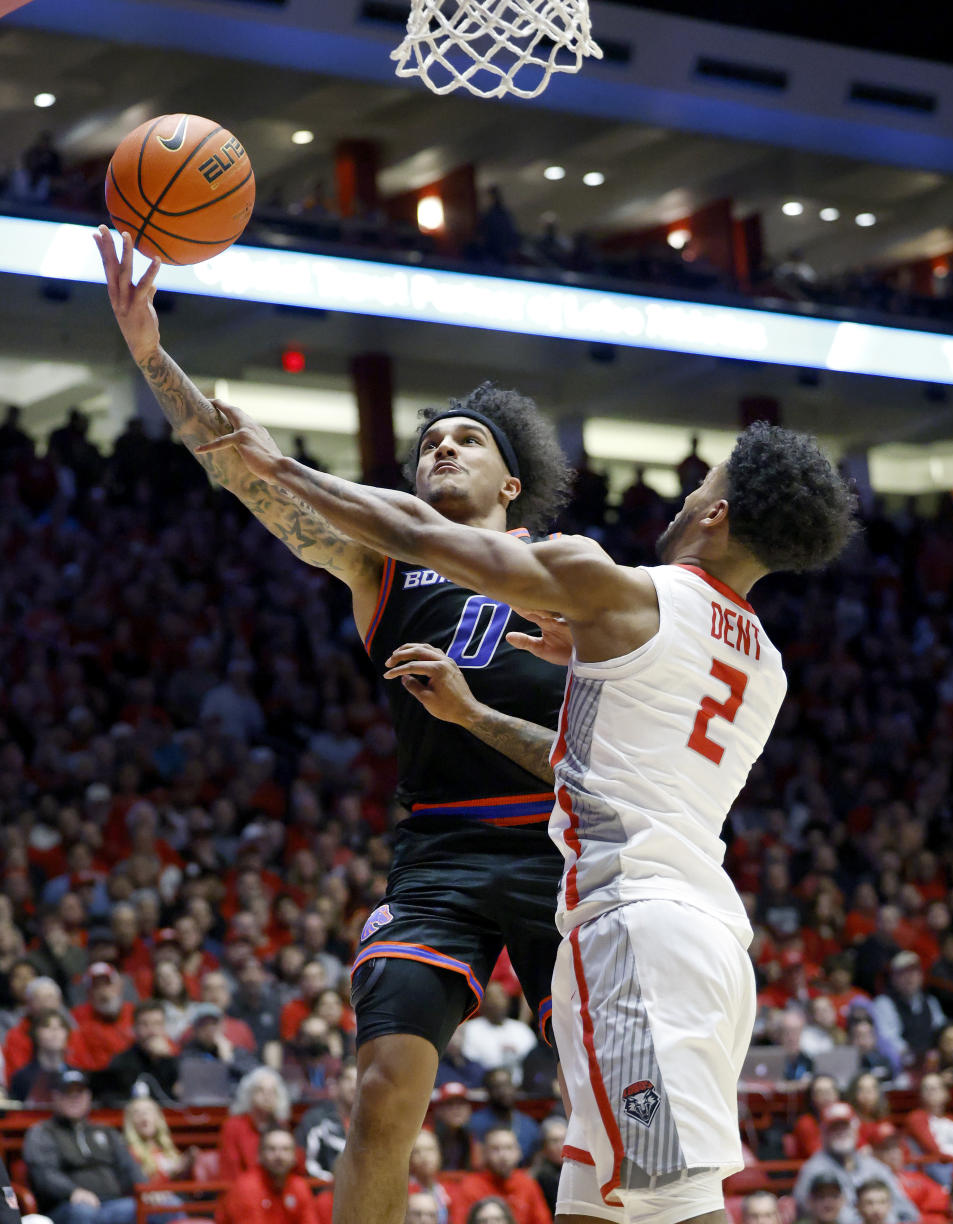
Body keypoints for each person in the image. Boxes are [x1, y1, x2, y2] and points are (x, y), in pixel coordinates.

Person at [201, 390, 858, 1224]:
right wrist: (491, 708)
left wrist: (274, 464)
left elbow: (418, 536)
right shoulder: (763, 662)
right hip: (712, 936)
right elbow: (606, 761)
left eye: (701, 487)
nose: (687, 495)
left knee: (675, 1207)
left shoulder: (618, 592)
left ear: (716, 513)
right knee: (603, 1205)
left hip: (632, 931)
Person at [95, 228, 572, 1224]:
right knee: (384, 1090)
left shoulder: (568, 564)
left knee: (602, 1098)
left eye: (464, 440)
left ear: (511, 485)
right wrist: (150, 356)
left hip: (560, 847)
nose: (440, 447)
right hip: (438, 852)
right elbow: (250, 475)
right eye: (428, 442)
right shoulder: (384, 565)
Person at [23, 1070, 143, 1224]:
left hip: (113, 1203)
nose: (75, 1099)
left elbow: (129, 1167)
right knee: (84, 1212)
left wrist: (146, 1190)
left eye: (79, 1093)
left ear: (89, 1097)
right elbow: (44, 1174)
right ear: (55, 1097)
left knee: (165, 1205)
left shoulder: (106, 1131)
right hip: (66, 1205)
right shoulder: (42, 1132)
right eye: (68, 1093)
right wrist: (72, 1191)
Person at [793, 1103, 918, 1224]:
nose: (841, 1132)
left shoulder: (874, 1166)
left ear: (855, 1129)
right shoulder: (812, 1170)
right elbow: (805, 1212)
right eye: (834, 1127)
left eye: (845, 1126)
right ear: (824, 1133)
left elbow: (907, 1210)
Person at [217, 1128, 319, 1224]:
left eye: (286, 1149)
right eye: (271, 1149)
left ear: (295, 1156)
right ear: (260, 1155)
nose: (279, 1155)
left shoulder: (300, 1186)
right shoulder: (247, 1187)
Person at [458, 1129, 551, 1224]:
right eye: (495, 1149)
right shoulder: (470, 1185)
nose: (503, 1155)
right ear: (485, 1153)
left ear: (519, 1152)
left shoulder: (527, 1184)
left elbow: (543, 1221)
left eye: (508, 1148)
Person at [95, 1000, 179, 1105]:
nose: (152, 1031)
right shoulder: (121, 1063)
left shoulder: (175, 1061)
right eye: (145, 1024)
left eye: (157, 1024)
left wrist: (168, 1059)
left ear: (164, 1028)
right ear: (134, 1028)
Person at [874, 954, 947, 1070]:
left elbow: (941, 1031)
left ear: (921, 976)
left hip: (931, 1064)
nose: (909, 978)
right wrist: (915, 1058)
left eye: (914, 972)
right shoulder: (884, 1003)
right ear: (893, 978)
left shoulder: (931, 1002)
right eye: (903, 973)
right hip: (900, 1067)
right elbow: (888, 1039)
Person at [220, 1068, 292, 1181]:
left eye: (272, 1092)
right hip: (244, 1190)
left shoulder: (281, 1126)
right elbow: (231, 1172)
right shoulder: (233, 1126)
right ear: (248, 1094)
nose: (267, 1096)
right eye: (260, 1090)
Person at [296, 1061, 357, 1183]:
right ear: (336, 1086)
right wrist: (335, 1183)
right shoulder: (316, 1120)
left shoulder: (374, 1122)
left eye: (359, 1080)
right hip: (325, 1190)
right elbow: (307, 1163)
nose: (354, 1086)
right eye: (348, 1079)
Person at [468, 1067, 540, 1164]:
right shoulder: (474, 1123)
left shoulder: (529, 1124)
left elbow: (536, 1159)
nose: (504, 1091)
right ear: (487, 1091)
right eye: (497, 1087)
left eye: (507, 1085)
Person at [123, 1096, 195, 1183]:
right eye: (137, 1113)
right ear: (131, 1121)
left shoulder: (168, 1149)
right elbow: (141, 1183)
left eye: (148, 1111)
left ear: (158, 1117)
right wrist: (174, 1172)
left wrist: (187, 1165)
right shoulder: (129, 1153)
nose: (143, 1116)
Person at [8, 1009, 73, 1104]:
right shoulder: (21, 1077)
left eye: (61, 1027)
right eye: (47, 1026)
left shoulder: (76, 1074)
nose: (54, 1031)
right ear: (35, 1034)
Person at [529, 1118, 566, 1217]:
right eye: (554, 1141)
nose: (560, 1145)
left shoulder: (579, 1170)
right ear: (544, 1146)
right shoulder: (538, 1176)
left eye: (564, 1139)